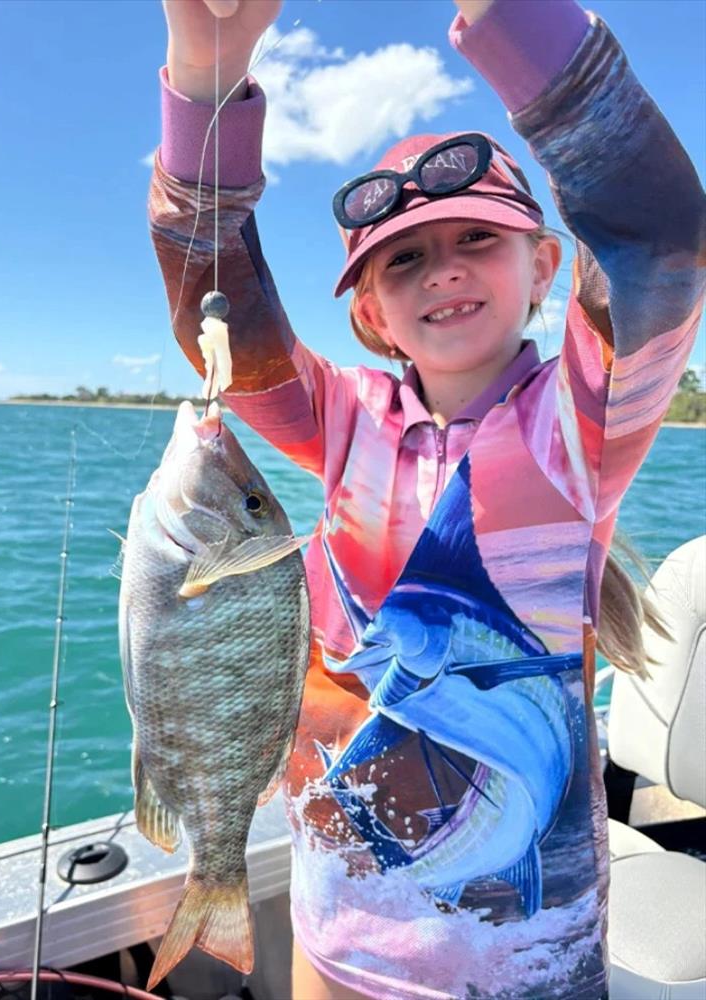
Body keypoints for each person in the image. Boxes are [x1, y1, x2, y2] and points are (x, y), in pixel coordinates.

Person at [150, 0, 705, 997]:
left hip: (518, 966)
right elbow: (213, 301)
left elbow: (656, 235)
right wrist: (204, 76)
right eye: (400, 258)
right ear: (370, 314)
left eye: (475, 240)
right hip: (333, 930)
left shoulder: (578, 427)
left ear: (541, 265)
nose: (439, 268)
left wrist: (509, 17)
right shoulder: (338, 419)